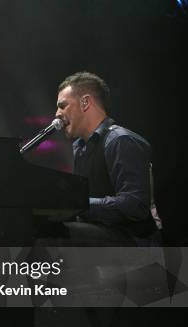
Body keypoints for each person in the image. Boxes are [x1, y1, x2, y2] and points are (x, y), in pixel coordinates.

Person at [49, 71, 160, 245]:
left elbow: (135, 206)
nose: (57, 113)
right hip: (105, 234)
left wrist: (77, 204)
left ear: (85, 102)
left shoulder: (120, 140)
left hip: (134, 242)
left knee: (52, 236)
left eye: (62, 105)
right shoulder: (79, 147)